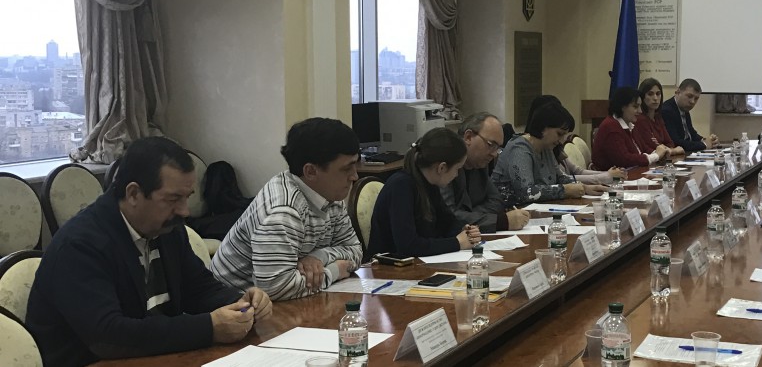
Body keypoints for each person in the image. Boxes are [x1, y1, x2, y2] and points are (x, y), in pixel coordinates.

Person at [26, 137, 272, 367]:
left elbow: (198, 288)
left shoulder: (166, 228)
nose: (185, 211)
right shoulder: (80, 245)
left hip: (156, 357)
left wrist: (239, 303)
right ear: (133, 194)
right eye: (173, 199)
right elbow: (108, 337)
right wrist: (209, 328)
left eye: (186, 197)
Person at [210, 118, 363, 300]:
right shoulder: (283, 211)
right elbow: (274, 289)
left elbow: (355, 250)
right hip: (235, 305)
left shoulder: (330, 195)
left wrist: (320, 257)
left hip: (288, 301)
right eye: (346, 169)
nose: (354, 176)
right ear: (310, 171)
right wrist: (335, 271)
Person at [367, 127, 481, 257]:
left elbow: (447, 223)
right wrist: (457, 243)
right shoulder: (401, 186)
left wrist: (464, 231)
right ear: (442, 168)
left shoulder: (429, 183)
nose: (456, 175)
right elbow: (408, 246)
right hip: (386, 266)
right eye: (457, 169)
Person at [492, 100, 606, 202]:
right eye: (559, 134)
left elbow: (560, 177)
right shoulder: (519, 149)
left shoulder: (546, 147)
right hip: (508, 211)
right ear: (543, 127)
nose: (561, 141)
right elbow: (527, 192)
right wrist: (565, 190)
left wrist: (584, 188)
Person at [441, 112, 530, 233]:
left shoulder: (479, 163)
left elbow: (497, 202)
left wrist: (469, 216)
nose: (494, 154)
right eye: (491, 145)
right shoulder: (445, 163)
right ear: (468, 137)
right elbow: (449, 217)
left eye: (497, 148)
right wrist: (500, 221)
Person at [592, 86, 671, 171]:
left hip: (631, 173)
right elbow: (624, 159)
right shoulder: (611, 127)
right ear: (622, 107)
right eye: (635, 107)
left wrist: (660, 152)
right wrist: (655, 156)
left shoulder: (630, 124)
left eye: (640, 106)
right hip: (612, 177)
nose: (640, 111)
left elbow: (643, 149)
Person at [633, 77, 687, 159]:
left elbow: (670, 143)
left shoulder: (658, 117)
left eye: (658, 94)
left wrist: (666, 149)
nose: (655, 98)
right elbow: (652, 149)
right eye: (650, 94)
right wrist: (672, 151)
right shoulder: (640, 119)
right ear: (642, 97)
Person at [661, 78, 718, 152]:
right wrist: (704, 144)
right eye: (689, 96)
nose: (692, 101)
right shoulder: (667, 111)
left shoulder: (684, 108)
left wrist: (706, 140)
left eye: (696, 98)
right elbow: (675, 142)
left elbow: (691, 134)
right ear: (678, 92)